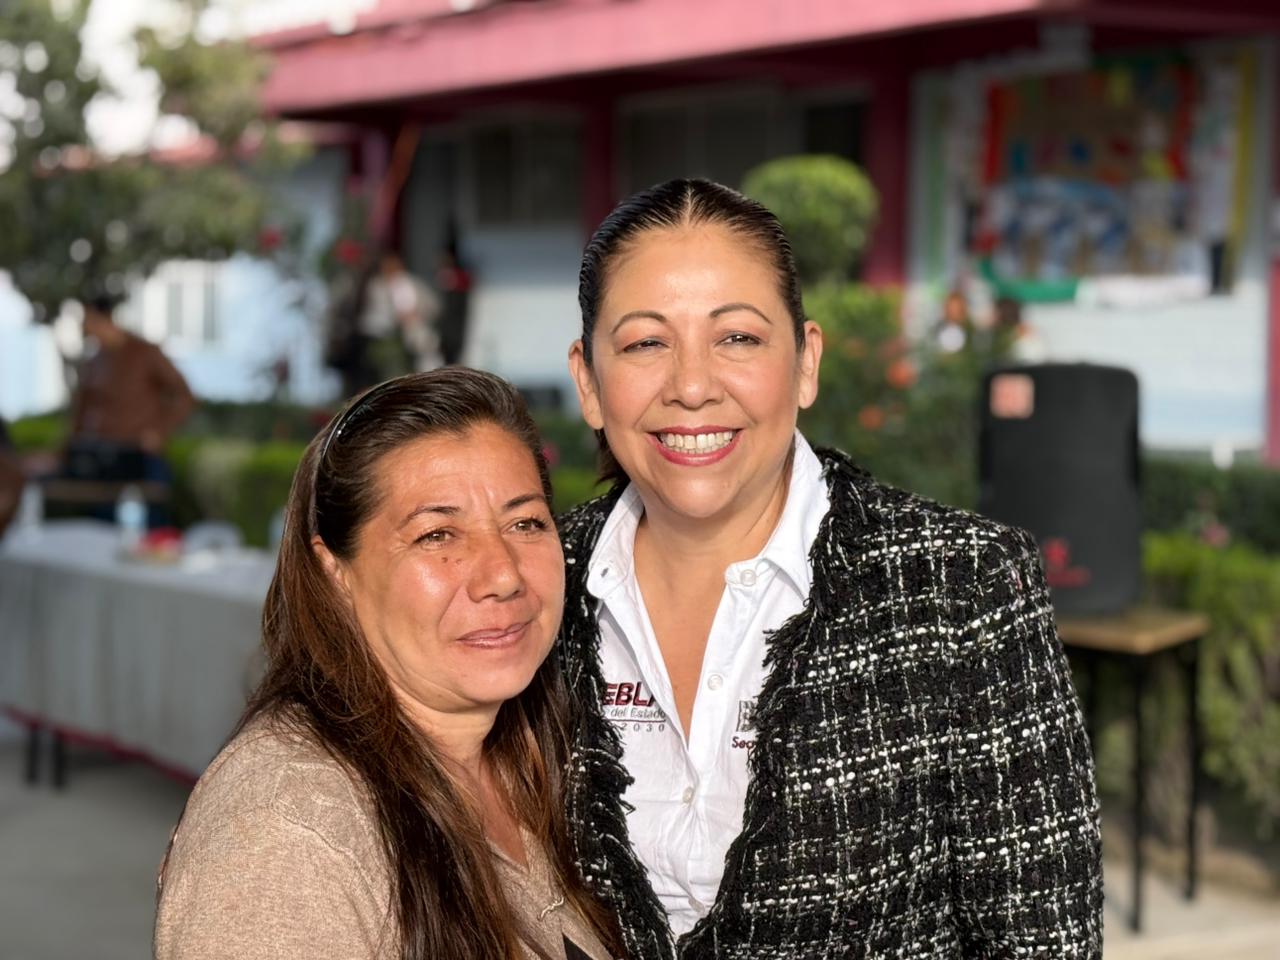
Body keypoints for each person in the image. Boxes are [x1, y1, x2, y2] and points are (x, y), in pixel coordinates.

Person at [559, 179, 1103, 959]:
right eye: (646, 343)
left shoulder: (960, 588)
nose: (692, 386)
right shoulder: (537, 585)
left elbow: (1041, 940)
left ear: (806, 362)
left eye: (737, 338)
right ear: (588, 381)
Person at [154, 368, 623, 960]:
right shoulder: (286, 834)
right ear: (335, 571)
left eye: (525, 522)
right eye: (437, 535)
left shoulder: (547, 757)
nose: (504, 575)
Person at [65, 295, 195, 485]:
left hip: (138, 453)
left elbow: (183, 395)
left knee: (144, 500)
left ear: (104, 319)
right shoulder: (95, 361)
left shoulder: (144, 352)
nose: (84, 327)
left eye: (88, 320)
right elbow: (81, 410)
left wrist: (159, 431)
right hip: (100, 454)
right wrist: (66, 449)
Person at [360, 251, 443, 379]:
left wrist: (419, 313)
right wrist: (398, 318)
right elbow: (378, 317)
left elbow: (432, 305)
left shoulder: (410, 282)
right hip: (391, 339)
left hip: (417, 332)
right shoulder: (378, 286)